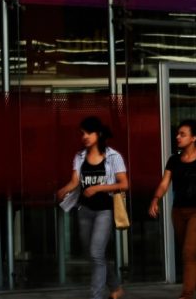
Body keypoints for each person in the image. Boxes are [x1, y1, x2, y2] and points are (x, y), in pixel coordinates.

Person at [57, 116, 127, 299]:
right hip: (84, 211)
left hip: (104, 210)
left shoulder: (113, 156)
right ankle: (115, 287)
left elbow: (124, 184)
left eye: (89, 132)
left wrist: (97, 188)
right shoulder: (79, 157)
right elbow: (74, 181)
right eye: (82, 133)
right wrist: (64, 189)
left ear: (99, 134)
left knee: (96, 253)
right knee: (93, 254)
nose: (85, 136)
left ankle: (96, 296)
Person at [150, 119, 196, 299]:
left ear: (194, 138)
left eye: (182, 134)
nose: (177, 137)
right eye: (178, 134)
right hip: (178, 212)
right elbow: (164, 183)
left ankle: (186, 294)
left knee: (189, 252)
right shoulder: (174, 160)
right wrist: (155, 199)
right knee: (192, 254)